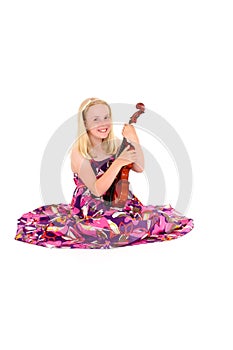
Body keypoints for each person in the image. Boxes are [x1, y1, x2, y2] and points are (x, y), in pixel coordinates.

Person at [15, 97, 194, 249]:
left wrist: (134, 139)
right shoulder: (79, 152)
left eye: (106, 117)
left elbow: (139, 167)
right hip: (91, 206)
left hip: (118, 200)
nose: (103, 123)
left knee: (146, 221)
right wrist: (118, 163)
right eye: (96, 119)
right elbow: (96, 189)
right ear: (84, 123)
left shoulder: (114, 145)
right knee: (107, 230)